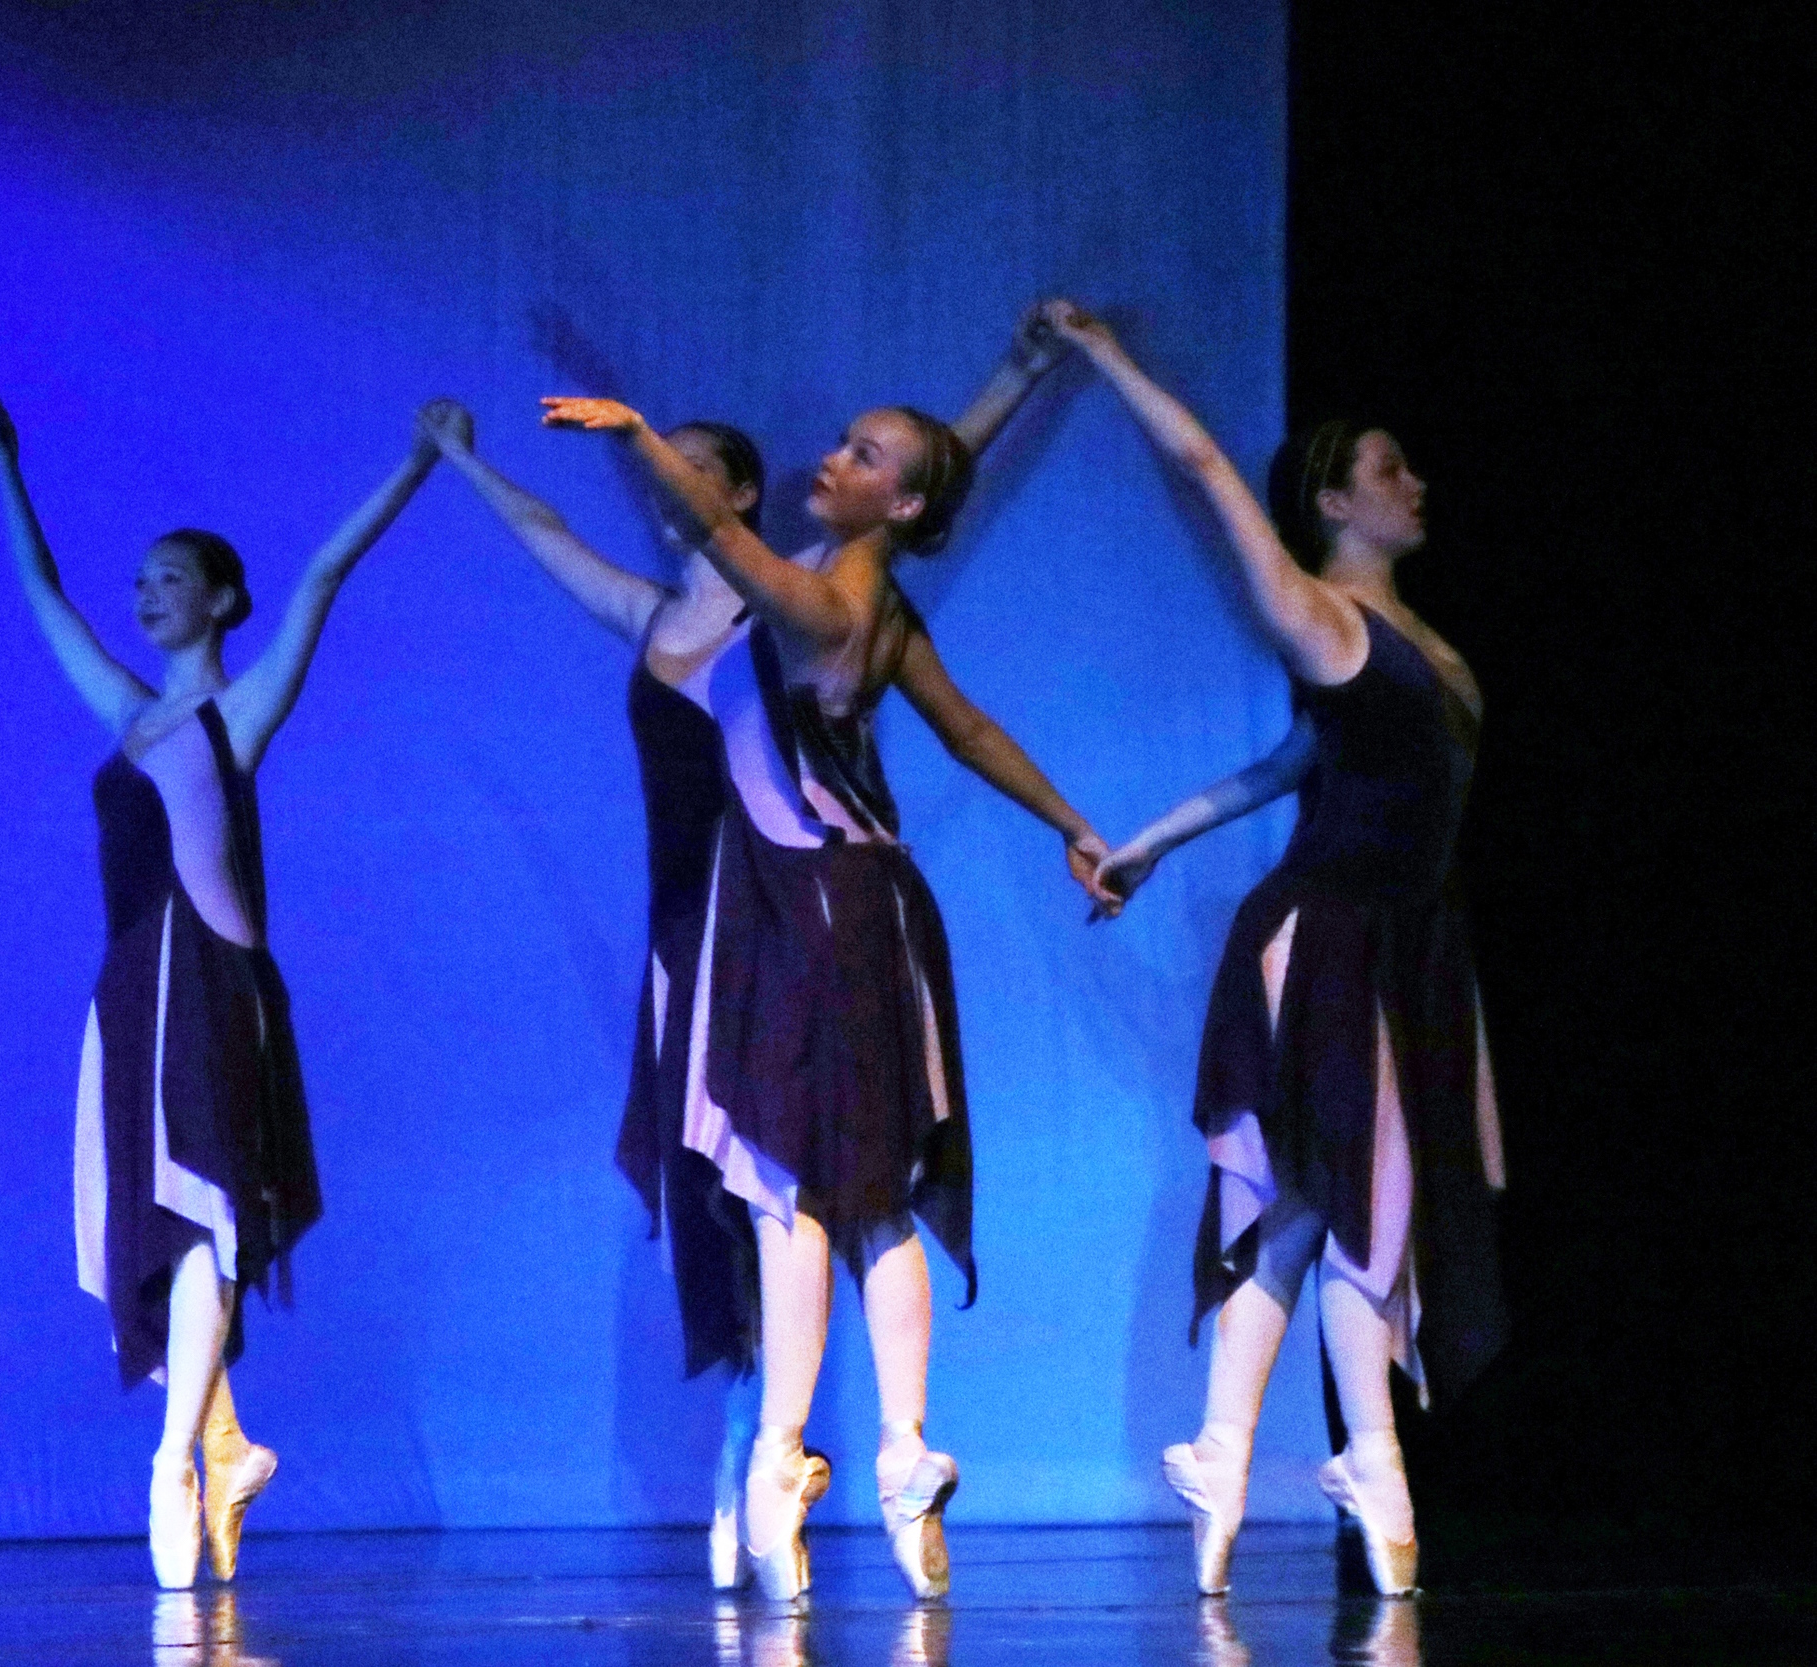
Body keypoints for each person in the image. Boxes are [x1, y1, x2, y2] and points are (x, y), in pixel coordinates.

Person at [541, 369, 1114, 1601]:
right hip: (869, 905)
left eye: (862, 457)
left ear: (895, 504)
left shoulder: (820, 603)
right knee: (873, 1195)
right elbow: (965, 726)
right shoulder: (887, 593)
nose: (836, 459)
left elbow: (719, 533)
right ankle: (902, 1452)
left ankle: (780, 1460)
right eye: (846, 441)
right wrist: (1071, 820)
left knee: (785, 1188)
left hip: (808, 910)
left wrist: (641, 432)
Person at [1049, 300, 1507, 1597]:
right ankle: (1367, 1462)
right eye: (1387, 470)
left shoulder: (1400, 640)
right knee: (1358, 1196)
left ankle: (1232, 1448)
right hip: (1332, 936)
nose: (1413, 484)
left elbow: (1282, 766)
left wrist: (1146, 840)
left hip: (1410, 940)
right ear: (1332, 500)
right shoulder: (1323, 615)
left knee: (1326, 1206)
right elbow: (1202, 469)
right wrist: (1109, 354)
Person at [0, 399, 439, 1588]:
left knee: (211, 1216)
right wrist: (4, 471)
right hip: (132, 988)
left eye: (172, 576)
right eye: (144, 578)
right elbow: (45, 595)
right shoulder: (129, 715)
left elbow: (325, 571)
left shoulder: (241, 707)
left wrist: (416, 458)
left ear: (223, 600)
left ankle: (177, 1456)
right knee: (169, 1222)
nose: (149, 592)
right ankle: (219, 1446)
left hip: (215, 980)